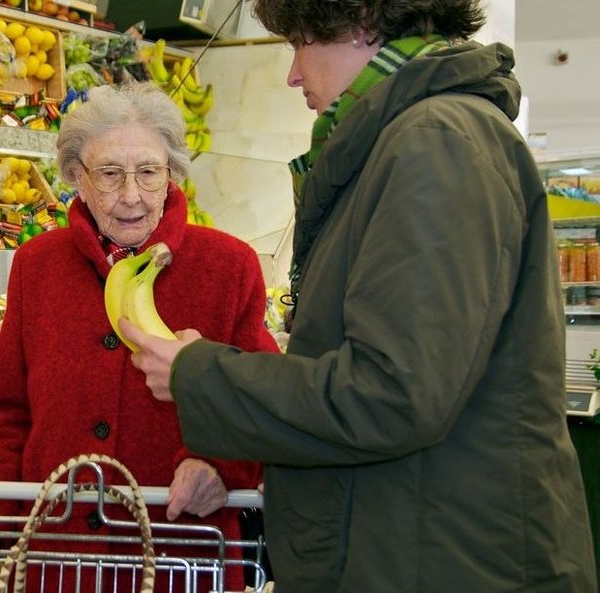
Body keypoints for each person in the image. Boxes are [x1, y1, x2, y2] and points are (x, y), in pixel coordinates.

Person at [120, 1, 598, 592]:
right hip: (416, 544)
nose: (293, 74)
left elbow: (393, 392)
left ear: (363, 21)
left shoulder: (435, 144)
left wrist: (201, 377)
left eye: (299, 43)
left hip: (439, 560)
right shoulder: (414, 141)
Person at [0, 82, 280, 591]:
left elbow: (264, 400)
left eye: (149, 173)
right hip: (57, 559)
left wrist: (223, 467)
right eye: (109, 174)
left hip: (183, 555)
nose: (131, 196)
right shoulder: (37, 266)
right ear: (75, 179)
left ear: (172, 175)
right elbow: (6, 412)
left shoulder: (229, 266)